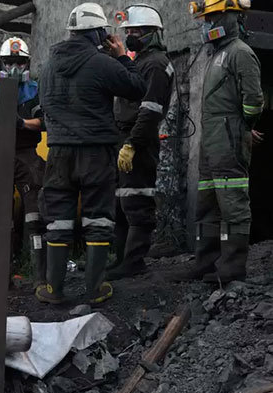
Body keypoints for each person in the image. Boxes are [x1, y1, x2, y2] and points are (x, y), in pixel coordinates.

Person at [36, 2, 146, 304]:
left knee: (57, 219)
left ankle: (53, 289)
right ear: (97, 32)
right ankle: (95, 289)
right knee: (98, 219)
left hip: (58, 152)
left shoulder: (47, 67)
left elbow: (44, 107)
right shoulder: (102, 63)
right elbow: (137, 88)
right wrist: (123, 57)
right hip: (96, 152)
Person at [174, 0, 263, 283]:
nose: (206, 25)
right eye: (205, 19)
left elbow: (254, 102)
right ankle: (206, 262)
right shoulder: (216, 54)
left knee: (232, 204)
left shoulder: (240, 53)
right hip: (211, 141)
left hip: (227, 140)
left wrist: (243, 128)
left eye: (212, 18)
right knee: (207, 203)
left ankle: (232, 267)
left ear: (230, 16)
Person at [106, 5, 174, 280]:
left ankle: (134, 262)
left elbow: (150, 110)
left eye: (135, 31)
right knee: (121, 202)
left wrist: (132, 144)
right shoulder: (142, 61)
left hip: (140, 140)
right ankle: (122, 258)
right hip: (124, 137)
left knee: (137, 201)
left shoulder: (157, 64)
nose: (130, 35)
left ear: (151, 33)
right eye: (128, 31)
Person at [0, 37, 46, 289]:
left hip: (27, 152)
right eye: (9, 62)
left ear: (27, 62)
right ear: (2, 63)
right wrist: (2, 107)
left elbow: (42, 122)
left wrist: (20, 122)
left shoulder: (35, 89)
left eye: (19, 61)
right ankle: (1, 276)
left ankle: (39, 275)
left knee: (35, 214)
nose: (14, 66)